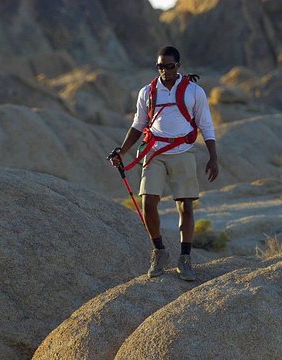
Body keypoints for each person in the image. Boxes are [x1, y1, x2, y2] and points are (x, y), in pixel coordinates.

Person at [108, 46, 218, 281]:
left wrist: (213, 157)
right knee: (148, 202)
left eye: (169, 66)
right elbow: (138, 125)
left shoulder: (194, 92)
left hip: (183, 152)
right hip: (154, 152)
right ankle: (159, 251)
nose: (164, 71)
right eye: (160, 66)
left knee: (185, 206)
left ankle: (185, 258)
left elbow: (206, 125)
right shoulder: (147, 92)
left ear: (178, 66)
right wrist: (122, 152)